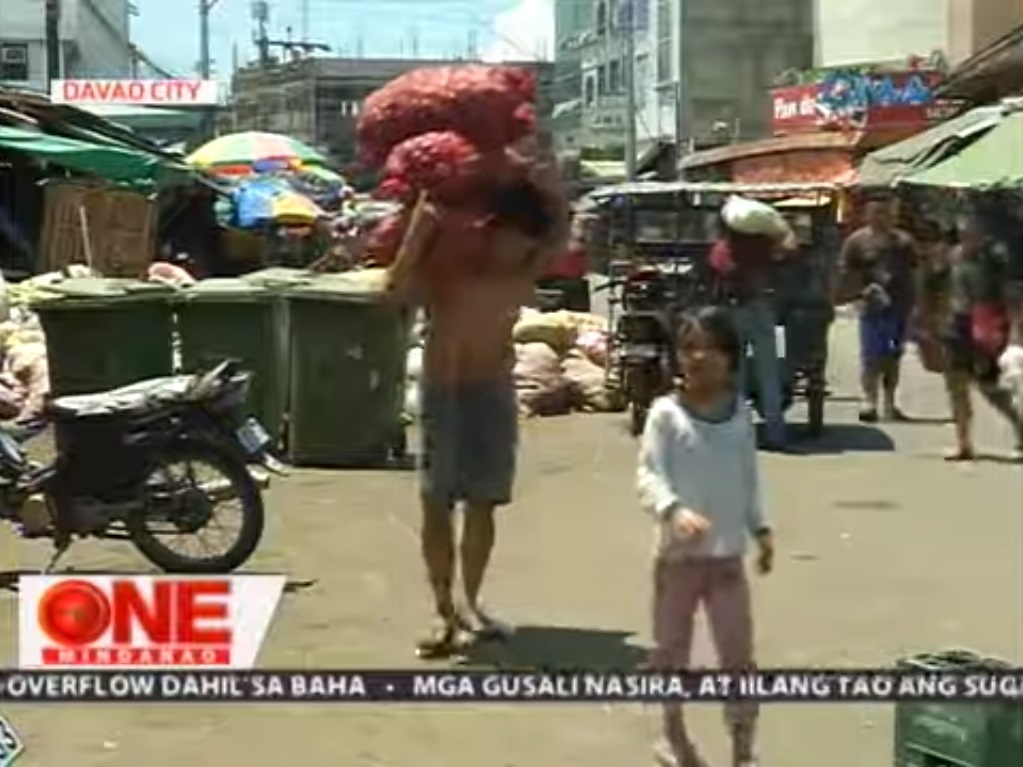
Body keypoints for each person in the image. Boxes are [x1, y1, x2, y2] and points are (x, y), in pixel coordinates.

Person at [385, 167, 569, 657]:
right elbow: (393, 286)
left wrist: (538, 180)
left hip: (493, 390)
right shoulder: (448, 268)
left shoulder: (525, 264)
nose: (516, 246)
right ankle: (443, 611)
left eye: (523, 239)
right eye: (510, 237)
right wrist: (424, 218)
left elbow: (560, 229)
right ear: (490, 232)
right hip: (444, 387)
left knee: (484, 501)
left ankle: (471, 604)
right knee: (437, 501)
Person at [637, 306, 773, 767]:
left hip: (727, 560)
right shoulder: (665, 415)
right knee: (670, 648)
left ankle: (742, 745)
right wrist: (673, 510)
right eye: (689, 347)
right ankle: (670, 732)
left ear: (732, 359)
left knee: (738, 653)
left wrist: (761, 527)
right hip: (678, 561)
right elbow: (649, 476)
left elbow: (748, 478)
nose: (699, 357)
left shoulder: (740, 417)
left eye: (711, 349)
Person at [940, 212, 1023, 461]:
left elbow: (1010, 296)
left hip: (986, 326)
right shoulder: (953, 256)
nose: (968, 236)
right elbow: (943, 287)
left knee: (991, 388)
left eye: (973, 232)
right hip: (957, 324)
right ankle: (963, 442)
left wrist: (1014, 329)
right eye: (964, 232)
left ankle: (1020, 432)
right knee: (956, 386)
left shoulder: (994, 259)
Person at [708, 218, 791, 450]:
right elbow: (784, 255)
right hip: (761, 310)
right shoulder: (762, 246)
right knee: (769, 373)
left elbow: (719, 268)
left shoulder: (723, 249)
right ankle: (776, 433)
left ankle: (738, 431)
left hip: (735, 311)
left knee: (737, 375)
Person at [837, 198, 917, 422]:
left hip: (898, 308)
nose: (880, 217)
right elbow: (845, 273)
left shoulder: (904, 242)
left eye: (885, 212)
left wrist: (917, 307)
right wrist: (858, 293)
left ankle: (891, 403)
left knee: (892, 355)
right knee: (871, 356)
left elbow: (915, 273)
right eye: (875, 212)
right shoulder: (856, 241)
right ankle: (869, 401)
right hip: (871, 309)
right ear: (867, 215)